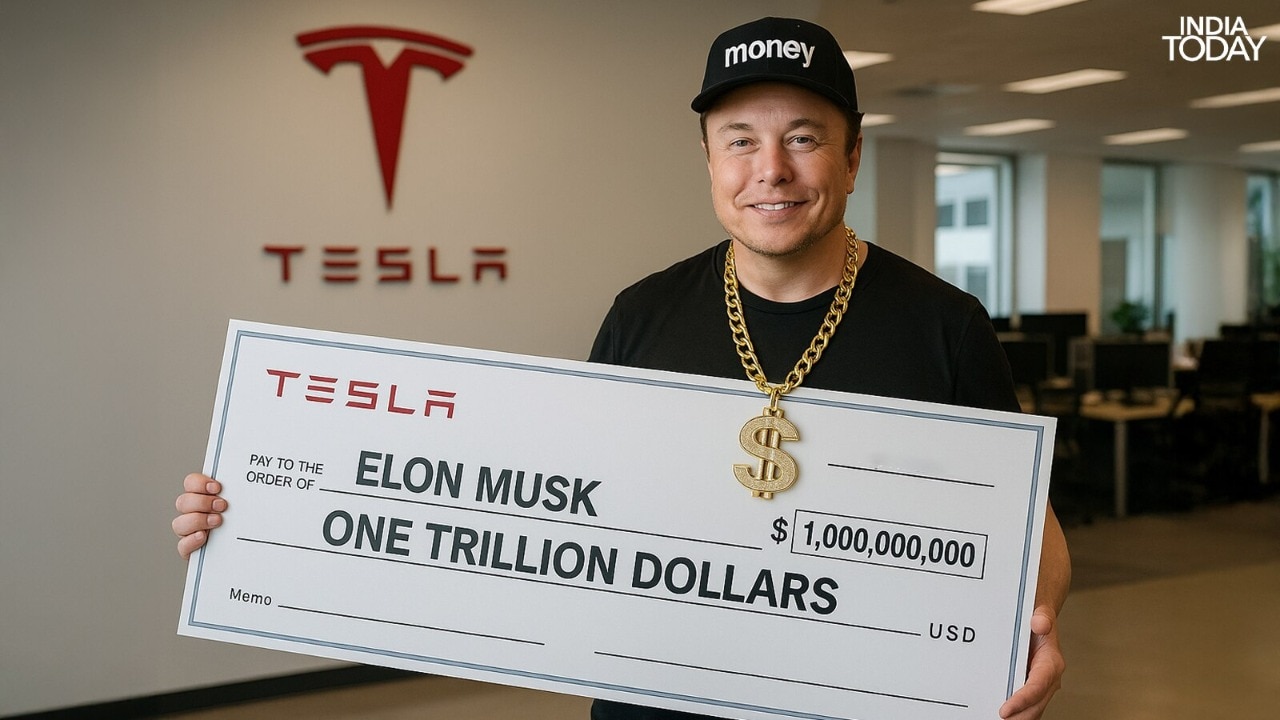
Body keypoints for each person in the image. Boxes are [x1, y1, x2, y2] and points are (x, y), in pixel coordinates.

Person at [176, 16, 1069, 720]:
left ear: (853, 154)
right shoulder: (643, 316)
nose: (771, 170)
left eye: (804, 137)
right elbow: (537, 509)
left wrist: (1039, 625)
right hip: (659, 704)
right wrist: (264, 509)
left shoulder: (944, 327)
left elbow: (1031, 530)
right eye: (740, 141)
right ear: (708, 159)